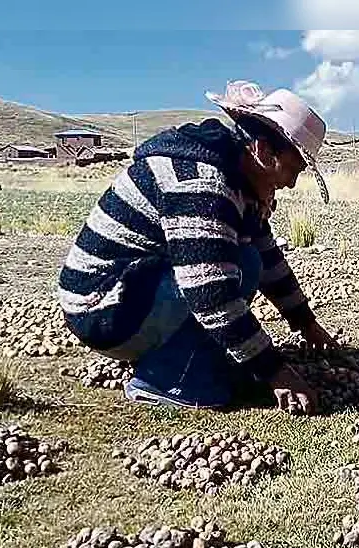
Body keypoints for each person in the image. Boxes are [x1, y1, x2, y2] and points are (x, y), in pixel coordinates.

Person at [57, 80, 337, 415]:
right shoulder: (202, 185)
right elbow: (210, 292)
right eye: (292, 169)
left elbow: (268, 255)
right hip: (101, 308)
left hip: (134, 293)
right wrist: (276, 372)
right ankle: (166, 381)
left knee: (247, 259)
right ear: (263, 151)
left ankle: (190, 358)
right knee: (235, 266)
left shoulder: (240, 179)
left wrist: (305, 322)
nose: (291, 183)